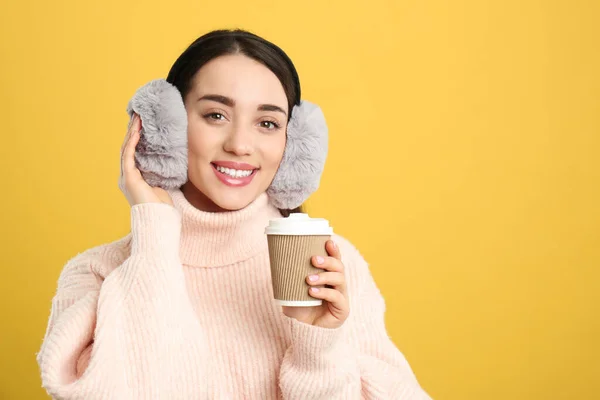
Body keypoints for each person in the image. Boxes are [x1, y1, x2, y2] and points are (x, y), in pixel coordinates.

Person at [36, 29, 431, 399]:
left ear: (293, 146)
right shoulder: (97, 274)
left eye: (267, 123)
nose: (241, 145)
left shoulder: (329, 268)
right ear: (165, 128)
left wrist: (317, 347)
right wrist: (154, 234)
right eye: (216, 115)